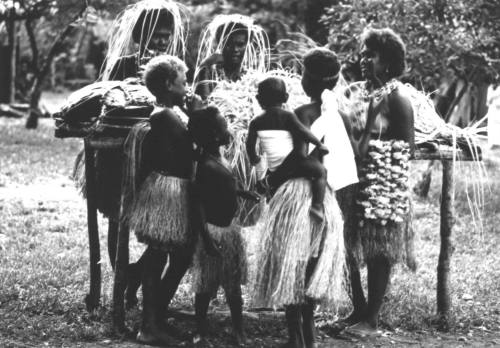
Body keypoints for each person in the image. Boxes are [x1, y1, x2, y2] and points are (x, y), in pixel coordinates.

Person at [122, 55, 205, 345]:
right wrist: (196, 114)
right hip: (165, 191)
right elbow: (192, 146)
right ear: (169, 84)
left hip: (177, 188)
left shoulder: (172, 111)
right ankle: (148, 326)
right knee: (159, 254)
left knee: (180, 255)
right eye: (183, 82)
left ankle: (157, 313)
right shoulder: (164, 115)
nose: (187, 87)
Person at [340, 28, 415, 338]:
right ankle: (357, 309)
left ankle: (371, 319)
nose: (363, 59)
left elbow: (406, 146)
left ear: (388, 61)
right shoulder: (356, 91)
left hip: (383, 187)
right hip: (351, 181)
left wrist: (371, 150)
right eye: (362, 53)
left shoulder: (398, 97)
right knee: (348, 248)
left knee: (377, 251)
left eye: (370, 54)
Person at [188, 106, 258, 345]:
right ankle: (201, 331)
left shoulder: (220, 157)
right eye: (224, 126)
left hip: (230, 231)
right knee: (205, 286)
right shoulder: (204, 165)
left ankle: (239, 330)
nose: (229, 129)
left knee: (233, 286)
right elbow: (197, 203)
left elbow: (221, 189)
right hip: (213, 233)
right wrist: (206, 239)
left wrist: (241, 192)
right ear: (214, 135)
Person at [246, 77, 329, 221]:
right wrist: (318, 144)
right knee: (321, 171)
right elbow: (303, 132)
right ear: (286, 97)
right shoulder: (288, 116)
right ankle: (317, 206)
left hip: (273, 168)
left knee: (270, 184)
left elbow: (249, 144)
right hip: (294, 165)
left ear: (259, 99)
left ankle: (272, 207)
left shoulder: (256, 122)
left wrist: (254, 158)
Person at [193, 14, 270, 99]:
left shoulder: (252, 79)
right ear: (221, 44)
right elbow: (203, 104)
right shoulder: (210, 74)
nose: (235, 49)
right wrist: (205, 65)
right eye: (229, 44)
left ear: (247, 45)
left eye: (240, 45)